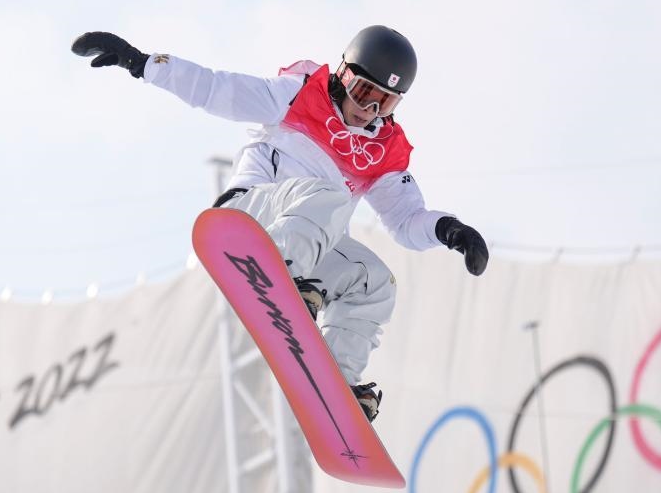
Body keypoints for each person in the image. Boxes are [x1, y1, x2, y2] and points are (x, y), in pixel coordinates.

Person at [72, 27, 489, 421]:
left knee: (375, 281)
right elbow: (217, 89)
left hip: (305, 245)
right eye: (364, 93)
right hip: (249, 217)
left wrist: (450, 230)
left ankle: (338, 384)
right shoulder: (300, 93)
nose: (369, 110)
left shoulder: (382, 150)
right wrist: (142, 62)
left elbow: (405, 219)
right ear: (344, 75)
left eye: (385, 103)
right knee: (330, 195)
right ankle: (282, 277)